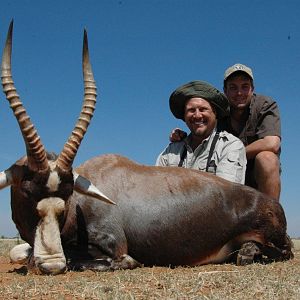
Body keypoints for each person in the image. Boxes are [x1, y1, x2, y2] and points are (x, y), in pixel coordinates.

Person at [170, 64, 281, 201]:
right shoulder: (218, 110)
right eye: (233, 87)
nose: (239, 93)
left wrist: (233, 153)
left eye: (244, 87)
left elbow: (272, 143)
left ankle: (270, 218)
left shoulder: (264, 104)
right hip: (221, 172)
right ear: (225, 90)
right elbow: (201, 130)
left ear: (252, 89)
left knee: (267, 159)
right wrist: (182, 136)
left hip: (253, 173)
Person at [156, 80, 247, 184]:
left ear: (215, 113)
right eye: (191, 110)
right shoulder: (171, 150)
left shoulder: (230, 146)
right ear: (184, 116)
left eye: (203, 109)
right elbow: (156, 189)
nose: (197, 115)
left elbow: (226, 195)